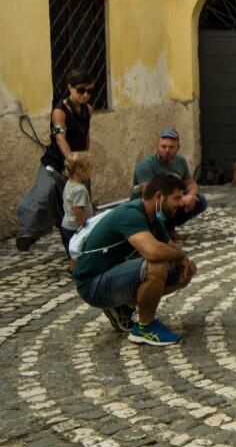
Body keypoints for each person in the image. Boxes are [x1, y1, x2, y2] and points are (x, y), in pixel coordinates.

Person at [73, 173, 197, 345]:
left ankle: (124, 308)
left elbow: (169, 248)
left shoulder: (153, 219)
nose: (181, 203)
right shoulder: (131, 214)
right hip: (92, 284)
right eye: (176, 198)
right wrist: (181, 255)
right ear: (159, 197)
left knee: (181, 272)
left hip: (111, 275)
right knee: (156, 267)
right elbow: (153, 252)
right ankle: (145, 328)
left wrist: (185, 264)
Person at [16, 69, 93, 250]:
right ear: (70, 88)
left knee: (77, 205)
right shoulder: (60, 111)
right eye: (81, 90)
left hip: (78, 165)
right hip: (55, 162)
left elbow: (86, 133)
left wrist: (84, 156)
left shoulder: (88, 110)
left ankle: (81, 244)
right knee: (43, 195)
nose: (86, 95)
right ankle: (29, 232)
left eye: (90, 91)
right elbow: (60, 138)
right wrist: (72, 160)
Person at [131, 129, 208, 239]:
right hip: (150, 203)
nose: (167, 150)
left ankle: (168, 228)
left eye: (171, 147)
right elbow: (148, 194)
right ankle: (158, 232)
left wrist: (190, 195)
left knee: (199, 201)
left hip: (169, 199)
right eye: (163, 146)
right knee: (164, 204)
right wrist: (177, 199)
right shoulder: (146, 164)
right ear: (157, 146)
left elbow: (190, 183)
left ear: (178, 147)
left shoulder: (180, 161)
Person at [60, 151, 95, 271]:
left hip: (66, 224)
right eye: (89, 170)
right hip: (76, 226)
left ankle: (71, 268)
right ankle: (76, 271)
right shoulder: (80, 189)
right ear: (80, 171)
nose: (90, 172)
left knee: (72, 249)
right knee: (79, 249)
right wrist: (83, 226)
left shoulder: (69, 183)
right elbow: (77, 209)